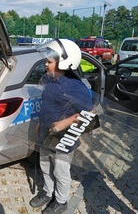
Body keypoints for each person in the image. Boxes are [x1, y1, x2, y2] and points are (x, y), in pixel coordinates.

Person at [29, 39, 93, 214]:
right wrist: (41, 123)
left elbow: (88, 114)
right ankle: (48, 192)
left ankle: (61, 200)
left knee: (60, 171)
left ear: (64, 62)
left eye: (49, 62)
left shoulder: (74, 86)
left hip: (64, 137)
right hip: (46, 133)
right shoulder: (49, 81)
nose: (46, 64)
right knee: (45, 166)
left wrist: (65, 123)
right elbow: (49, 105)